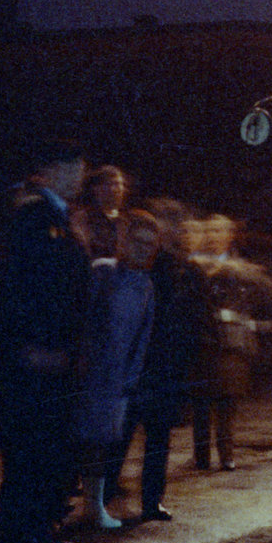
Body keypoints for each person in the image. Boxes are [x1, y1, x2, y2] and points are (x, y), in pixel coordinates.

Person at [0, 140, 89, 543]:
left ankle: (39, 529)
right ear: (50, 169)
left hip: (58, 353)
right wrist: (31, 345)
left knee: (49, 446)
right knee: (31, 448)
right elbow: (24, 288)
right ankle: (23, 536)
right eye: (73, 167)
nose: (81, 175)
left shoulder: (59, 216)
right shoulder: (33, 213)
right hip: (38, 355)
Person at [105, 199, 207, 520]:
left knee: (157, 437)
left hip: (167, 366)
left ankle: (150, 499)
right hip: (143, 363)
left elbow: (196, 318)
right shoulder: (151, 266)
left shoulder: (189, 271)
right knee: (123, 433)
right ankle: (108, 491)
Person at [73, 209, 160, 529]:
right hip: (88, 374)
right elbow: (82, 319)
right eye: (138, 241)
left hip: (115, 382)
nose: (143, 249)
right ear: (124, 239)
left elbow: (142, 336)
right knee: (74, 442)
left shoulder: (146, 285)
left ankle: (93, 507)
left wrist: (130, 379)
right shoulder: (103, 272)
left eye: (150, 245)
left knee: (99, 445)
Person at [190, 215, 272, 472]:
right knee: (201, 399)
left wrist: (231, 270)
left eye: (220, 230)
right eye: (210, 230)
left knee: (228, 399)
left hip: (232, 342)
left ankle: (226, 454)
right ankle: (201, 455)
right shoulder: (194, 263)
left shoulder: (240, 266)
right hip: (203, 338)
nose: (214, 235)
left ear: (230, 235)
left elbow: (266, 288)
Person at [73, 165, 130, 259]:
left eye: (118, 184)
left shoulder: (127, 221)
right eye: (109, 184)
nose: (115, 190)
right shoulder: (84, 218)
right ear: (96, 189)